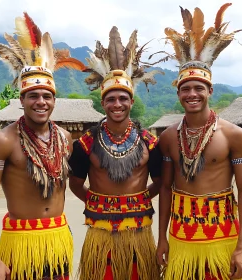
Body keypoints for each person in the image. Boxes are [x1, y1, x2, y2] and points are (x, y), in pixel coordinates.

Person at [0, 12, 86, 280]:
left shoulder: (64, 139)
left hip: (58, 237)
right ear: (22, 100)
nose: (41, 101)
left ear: (54, 101)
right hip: (20, 240)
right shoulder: (4, 140)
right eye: (33, 96)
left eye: (47, 96)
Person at [155, 4, 242, 280]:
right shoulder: (168, 137)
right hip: (181, 237)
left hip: (222, 236)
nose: (192, 94)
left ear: (210, 90)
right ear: (178, 94)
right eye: (185, 89)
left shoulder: (234, 135)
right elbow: (165, 188)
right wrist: (162, 238)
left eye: (199, 88)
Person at [68, 26, 164, 280]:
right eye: (111, 99)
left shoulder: (150, 143)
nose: (117, 104)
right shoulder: (86, 144)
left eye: (123, 98)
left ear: (132, 101)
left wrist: (138, 199)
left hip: (139, 232)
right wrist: (101, 202)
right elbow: (75, 184)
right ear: (103, 103)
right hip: (100, 233)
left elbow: (162, 182)